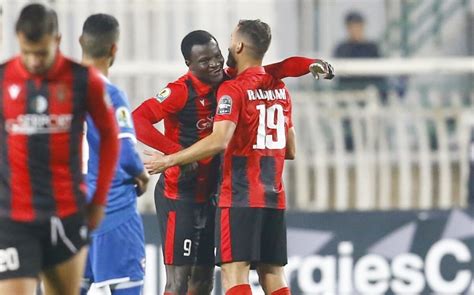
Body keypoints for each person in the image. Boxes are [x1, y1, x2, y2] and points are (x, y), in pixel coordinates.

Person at [132, 29, 333, 294]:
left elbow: (280, 68)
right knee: (178, 280)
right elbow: (137, 119)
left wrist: (309, 65)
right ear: (188, 64)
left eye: (216, 56)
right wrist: (177, 154)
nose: (215, 63)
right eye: (204, 61)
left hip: (217, 195)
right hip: (181, 195)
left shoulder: (231, 80)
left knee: (204, 278)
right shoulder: (180, 91)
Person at [0, 4, 119, 295]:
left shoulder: (82, 80)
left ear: (57, 40)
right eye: (27, 52)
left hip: (66, 212)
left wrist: (99, 200)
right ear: (18, 39)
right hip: (13, 217)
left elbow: (109, 137)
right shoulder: (3, 79)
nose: (34, 60)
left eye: (41, 53)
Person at [79, 14, 150, 295]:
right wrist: (141, 174)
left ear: (81, 42)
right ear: (113, 50)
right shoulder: (110, 95)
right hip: (112, 212)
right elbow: (124, 153)